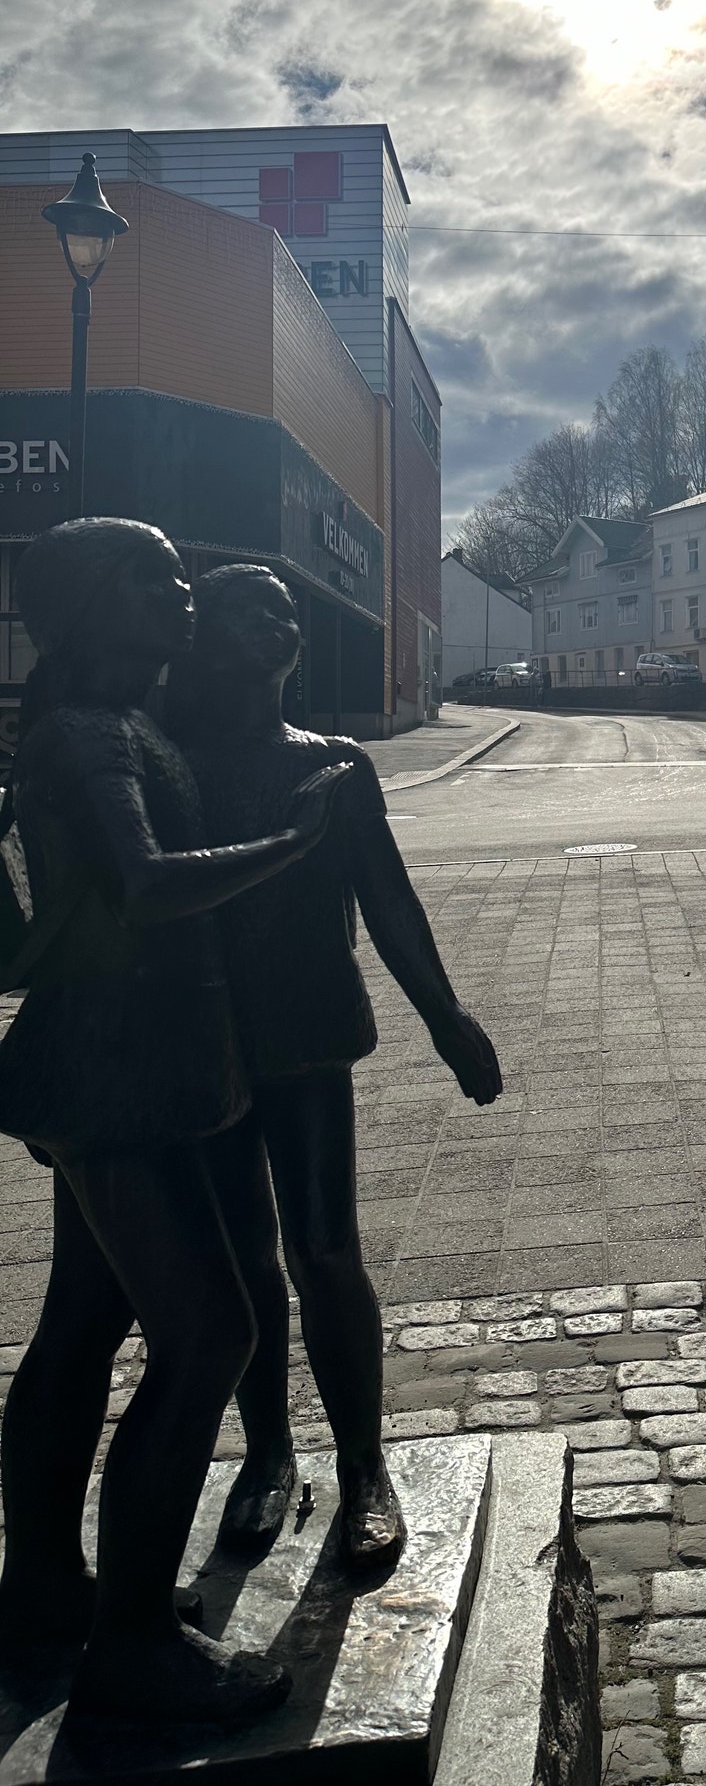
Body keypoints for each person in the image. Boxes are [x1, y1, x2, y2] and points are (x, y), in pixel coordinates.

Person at [0, 519, 348, 1723]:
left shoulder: (120, 722)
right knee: (210, 1336)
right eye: (151, 577)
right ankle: (132, 1644)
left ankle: (43, 1585)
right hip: (120, 1073)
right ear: (93, 604)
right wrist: (291, 841)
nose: (180, 593)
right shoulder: (93, 734)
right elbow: (146, 882)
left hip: (129, 1065)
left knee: (80, 1330)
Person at [169, 565, 501, 1570]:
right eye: (247, 610)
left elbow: (389, 899)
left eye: (285, 612)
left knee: (325, 1252)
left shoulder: (336, 767)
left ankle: (364, 1465)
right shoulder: (168, 760)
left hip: (308, 1035)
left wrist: (446, 1019)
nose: (275, 624)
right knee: (241, 1264)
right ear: (203, 637)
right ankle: (267, 1454)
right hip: (205, 1043)